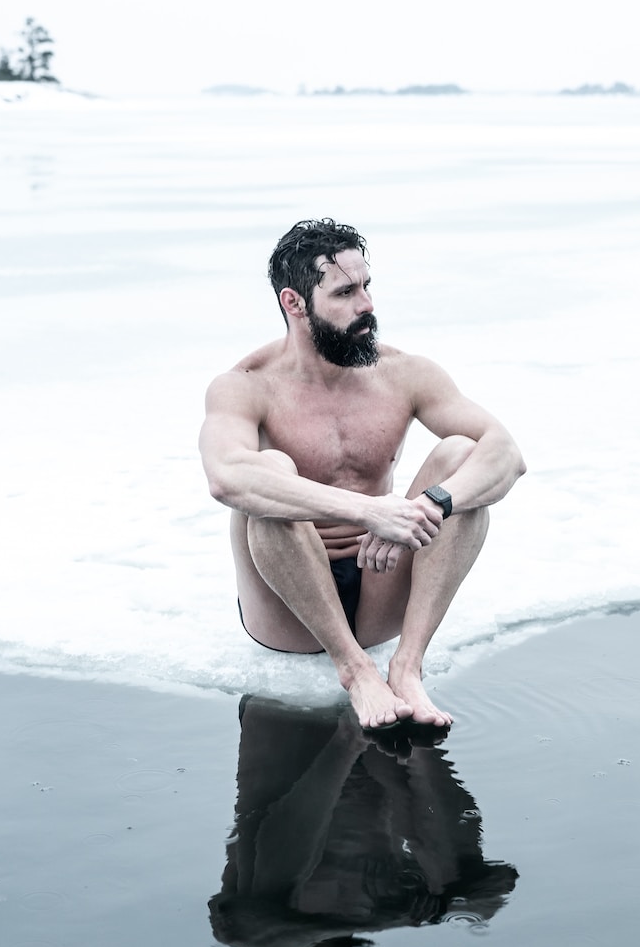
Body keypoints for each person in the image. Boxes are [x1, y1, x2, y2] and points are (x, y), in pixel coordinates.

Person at [199, 218, 525, 730]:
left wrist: (426, 507)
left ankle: (407, 666)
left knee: (464, 455)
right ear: (294, 303)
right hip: (290, 612)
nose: (367, 305)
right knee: (269, 474)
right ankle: (356, 672)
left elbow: (507, 454)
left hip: (381, 589)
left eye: (367, 286)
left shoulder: (404, 373)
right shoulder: (245, 386)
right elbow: (225, 478)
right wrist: (372, 510)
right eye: (345, 292)